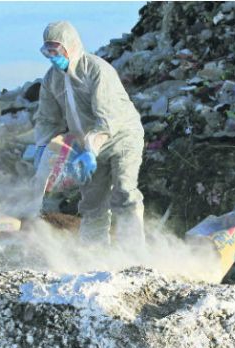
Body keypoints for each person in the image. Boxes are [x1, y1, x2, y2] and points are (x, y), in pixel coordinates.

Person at [33, 20, 146, 249]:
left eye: (56, 49)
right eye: (48, 50)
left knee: (124, 192)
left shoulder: (96, 70)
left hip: (122, 137)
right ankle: (93, 256)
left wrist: (92, 148)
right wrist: (43, 148)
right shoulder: (51, 79)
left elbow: (107, 118)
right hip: (88, 146)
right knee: (92, 203)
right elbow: (47, 118)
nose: (53, 55)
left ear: (71, 46)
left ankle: (134, 255)